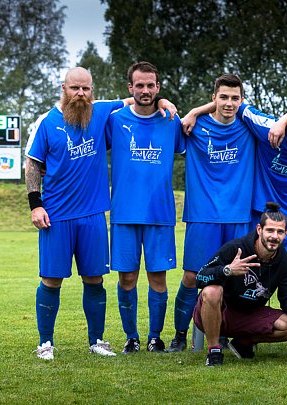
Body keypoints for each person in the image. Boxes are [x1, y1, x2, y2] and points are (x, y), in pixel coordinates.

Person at [25, 67, 175, 360]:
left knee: (95, 279)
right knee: (51, 280)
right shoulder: (46, 122)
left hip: (93, 215)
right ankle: (45, 343)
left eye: (86, 89)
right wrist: (36, 204)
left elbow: (138, 99)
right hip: (56, 215)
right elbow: (32, 164)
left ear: (92, 90)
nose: (80, 94)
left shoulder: (102, 112)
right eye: (74, 89)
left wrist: (163, 102)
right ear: (63, 88)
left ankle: (96, 340)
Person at [181, 99, 287, 269]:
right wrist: (194, 112)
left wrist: (286, 116)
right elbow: (235, 102)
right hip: (259, 210)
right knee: (249, 269)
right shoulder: (266, 128)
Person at [167, 74, 257, 352]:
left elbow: (279, 123)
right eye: (224, 97)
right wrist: (194, 112)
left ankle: (231, 335)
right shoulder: (194, 126)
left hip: (238, 215)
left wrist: (197, 108)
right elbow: (171, 120)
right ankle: (180, 335)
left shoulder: (249, 126)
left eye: (235, 98)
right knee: (193, 277)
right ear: (214, 97)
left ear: (242, 101)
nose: (229, 103)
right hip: (202, 214)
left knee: (237, 279)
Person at [105, 61, 186, 354]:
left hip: (160, 213)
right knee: (126, 278)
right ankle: (132, 337)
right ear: (130, 88)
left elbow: (191, 142)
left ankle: (155, 337)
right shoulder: (115, 121)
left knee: (158, 277)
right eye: (139, 85)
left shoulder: (171, 121)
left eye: (151, 85)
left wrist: (170, 105)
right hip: (124, 213)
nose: (145, 90)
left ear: (158, 87)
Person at [193, 202, 287, 366]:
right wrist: (227, 271)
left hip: (251, 314)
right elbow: (200, 278)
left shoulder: (285, 261)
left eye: (280, 231)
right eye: (270, 230)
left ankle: (243, 342)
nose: (274, 236)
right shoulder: (235, 248)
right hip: (220, 312)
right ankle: (214, 351)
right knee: (212, 291)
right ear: (259, 230)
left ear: (285, 234)